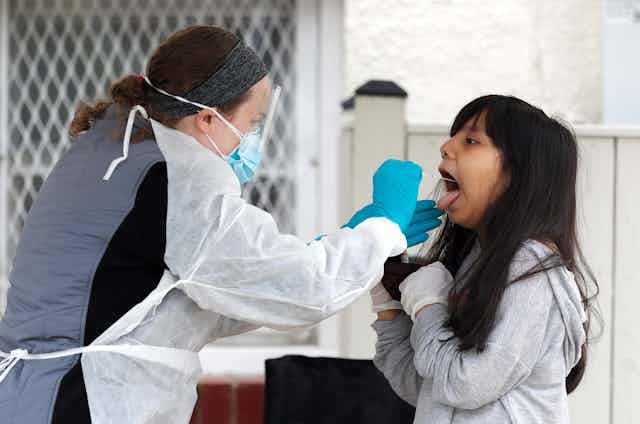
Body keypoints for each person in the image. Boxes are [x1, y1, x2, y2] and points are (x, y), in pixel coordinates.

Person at [0, 26, 443, 423]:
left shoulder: (115, 153)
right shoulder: (176, 177)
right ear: (207, 118)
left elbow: (195, 297)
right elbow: (303, 291)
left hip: (40, 395)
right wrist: (381, 229)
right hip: (80, 400)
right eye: (253, 122)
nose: (253, 138)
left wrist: (333, 244)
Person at [370, 95, 599, 423]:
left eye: (472, 140)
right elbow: (425, 386)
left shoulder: (531, 269)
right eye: (454, 136)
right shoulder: (478, 261)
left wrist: (428, 305)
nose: (446, 147)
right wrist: (389, 310)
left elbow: (463, 385)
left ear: (519, 174)